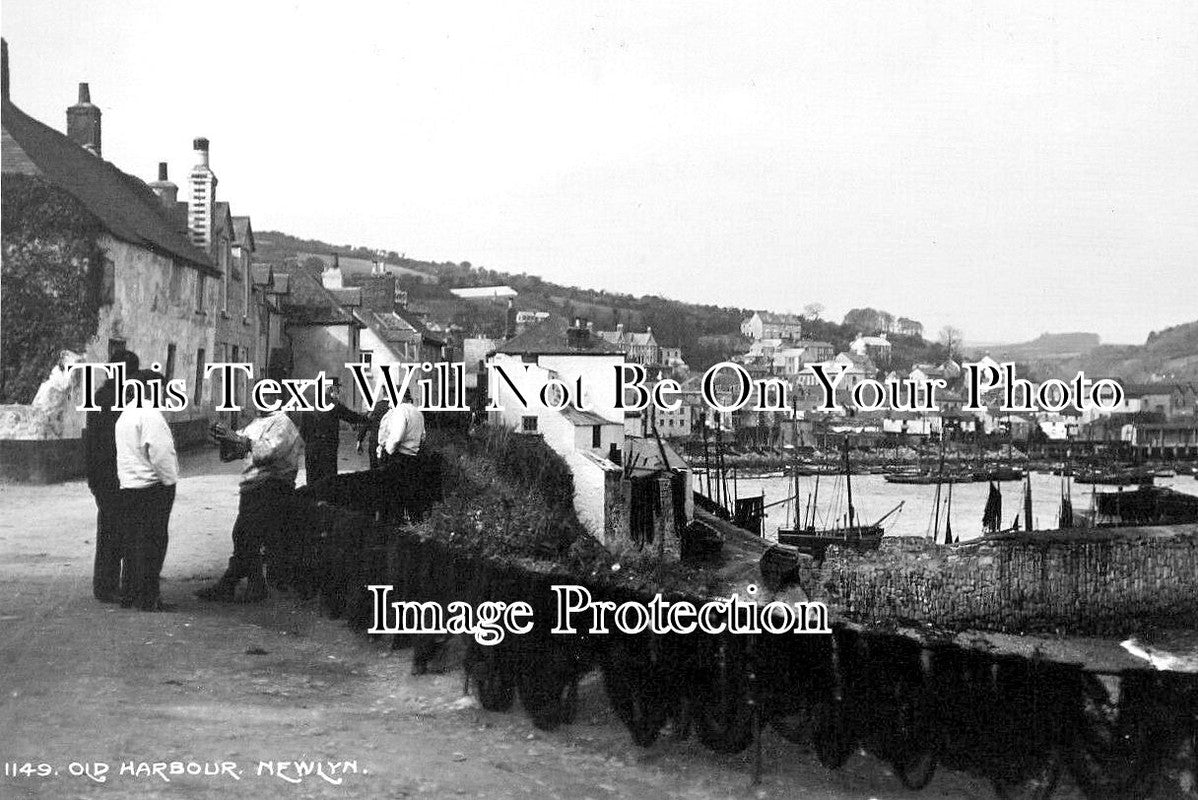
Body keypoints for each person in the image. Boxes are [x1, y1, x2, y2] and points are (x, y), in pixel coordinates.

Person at [198, 404, 303, 603]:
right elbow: (233, 453)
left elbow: (268, 452)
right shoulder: (256, 423)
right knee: (245, 537)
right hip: (253, 487)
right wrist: (223, 437)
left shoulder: (283, 423)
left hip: (272, 486)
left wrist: (237, 438)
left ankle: (241, 585)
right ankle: (248, 585)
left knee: (246, 535)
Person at [114, 369, 179, 612]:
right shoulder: (150, 415)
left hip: (129, 486)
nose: (164, 394)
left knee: (132, 543)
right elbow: (161, 453)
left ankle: (129, 594)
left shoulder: (125, 414)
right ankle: (148, 598)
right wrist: (170, 481)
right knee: (153, 544)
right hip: (152, 488)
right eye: (161, 389)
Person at [83, 349, 140, 603]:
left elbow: (91, 440)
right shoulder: (120, 399)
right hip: (115, 474)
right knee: (118, 531)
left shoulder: (101, 396)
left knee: (109, 530)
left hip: (103, 474)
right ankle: (110, 586)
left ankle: (107, 584)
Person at [298, 377, 369, 488]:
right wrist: (369, 419)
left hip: (311, 449)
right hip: (328, 449)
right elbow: (351, 417)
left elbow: (303, 430)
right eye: (337, 389)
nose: (338, 392)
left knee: (312, 481)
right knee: (329, 482)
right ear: (331, 388)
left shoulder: (308, 403)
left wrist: (310, 442)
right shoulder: (334, 404)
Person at [356, 396, 391, 470]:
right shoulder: (395, 408)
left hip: (374, 441)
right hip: (388, 442)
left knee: (373, 468)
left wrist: (359, 440)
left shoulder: (374, 407)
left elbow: (365, 423)